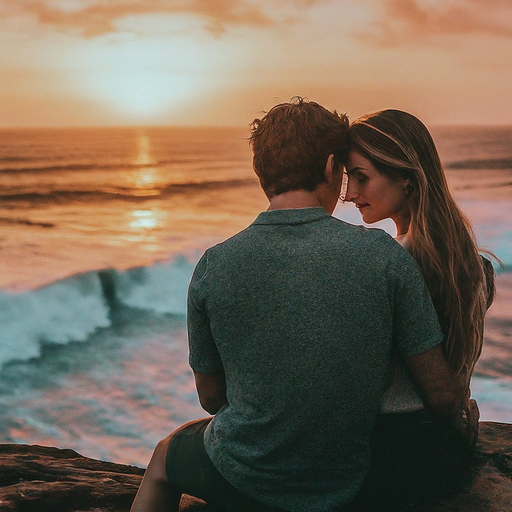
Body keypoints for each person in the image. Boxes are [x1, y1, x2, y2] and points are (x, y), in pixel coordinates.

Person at [130, 98, 468, 512]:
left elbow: (212, 398)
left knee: (166, 454)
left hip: (245, 478)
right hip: (348, 480)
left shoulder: (213, 264)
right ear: (330, 167)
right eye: (345, 174)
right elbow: (439, 391)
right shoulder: (383, 255)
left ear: (262, 173)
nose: (347, 191)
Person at [345, 109, 495, 510]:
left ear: (406, 178)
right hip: (441, 448)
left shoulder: (389, 263)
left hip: (386, 456)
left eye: (362, 177)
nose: (348, 193)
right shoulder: (470, 262)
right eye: (346, 178)